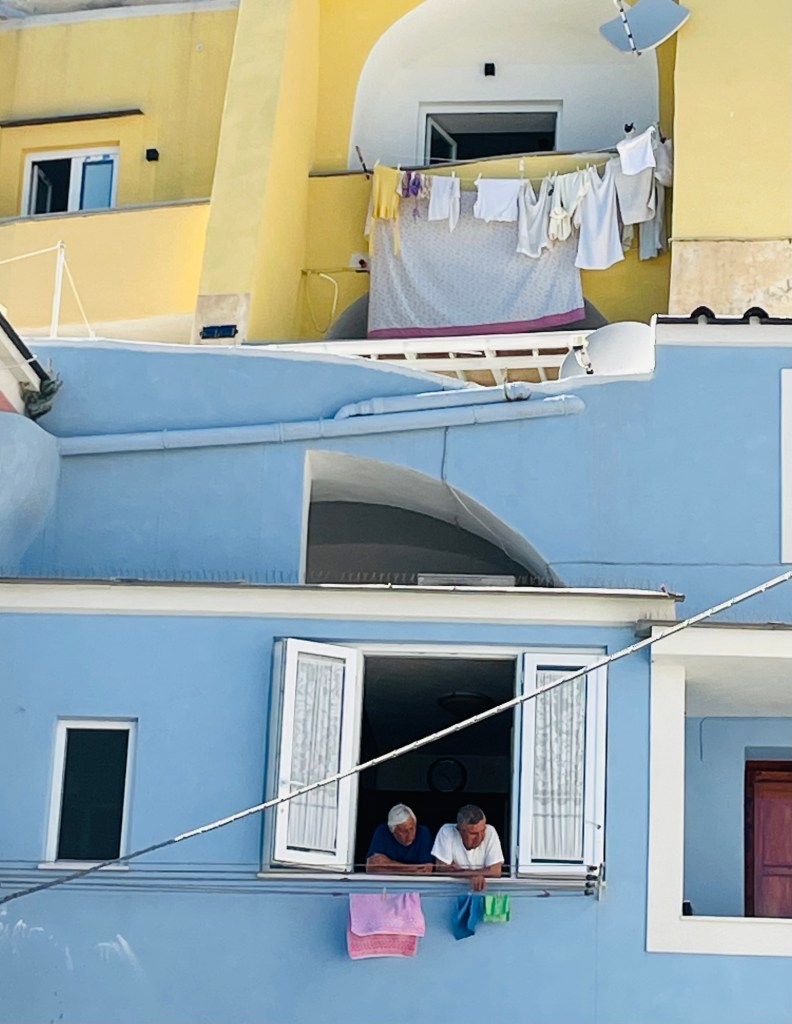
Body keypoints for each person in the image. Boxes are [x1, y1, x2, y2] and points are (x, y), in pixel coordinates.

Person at [432, 804, 504, 891]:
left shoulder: (490, 831)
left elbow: (495, 871)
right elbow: (441, 869)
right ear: (460, 830)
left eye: (483, 830)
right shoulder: (447, 831)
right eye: (474, 833)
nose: (480, 836)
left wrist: (462, 872)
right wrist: (475, 874)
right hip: (452, 891)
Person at [365, 804, 434, 874]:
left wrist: (387, 864)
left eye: (412, 828)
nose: (410, 835)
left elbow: (426, 870)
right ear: (393, 831)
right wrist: (412, 869)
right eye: (404, 831)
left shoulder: (423, 832)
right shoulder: (382, 831)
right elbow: (371, 867)